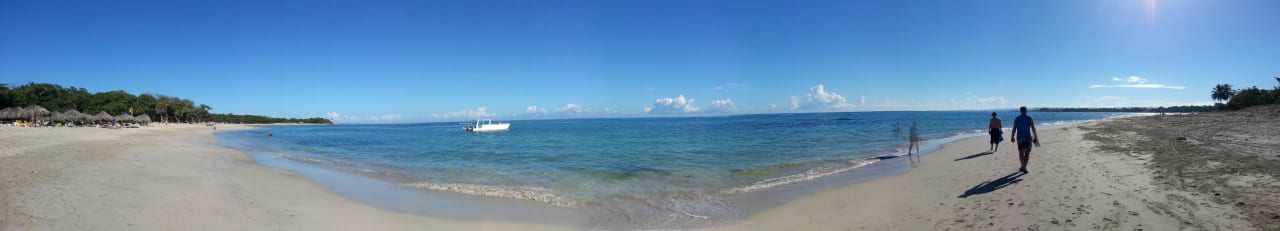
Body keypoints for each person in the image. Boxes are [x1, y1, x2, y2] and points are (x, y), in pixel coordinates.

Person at [1009, 106, 1039, 173]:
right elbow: (1033, 128)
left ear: (1020, 111)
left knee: (1021, 152)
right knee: (1027, 153)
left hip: (1020, 138)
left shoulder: (1017, 118)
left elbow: (1014, 128)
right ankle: (1024, 167)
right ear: (1026, 111)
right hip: (1027, 138)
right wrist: (1036, 136)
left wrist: (1012, 136)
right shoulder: (1029, 118)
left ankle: (1023, 166)